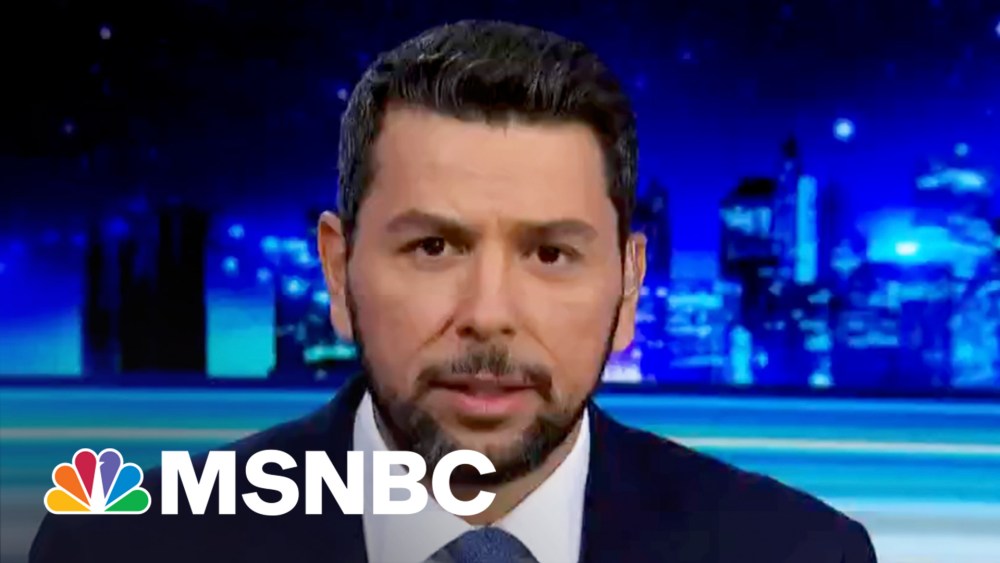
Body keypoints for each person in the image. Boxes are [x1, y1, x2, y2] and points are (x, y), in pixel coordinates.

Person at [31, 20, 877, 563]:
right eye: (433, 247)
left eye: (551, 253)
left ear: (628, 287)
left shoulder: (797, 553)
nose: (488, 313)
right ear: (338, 270)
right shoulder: (120, 548)